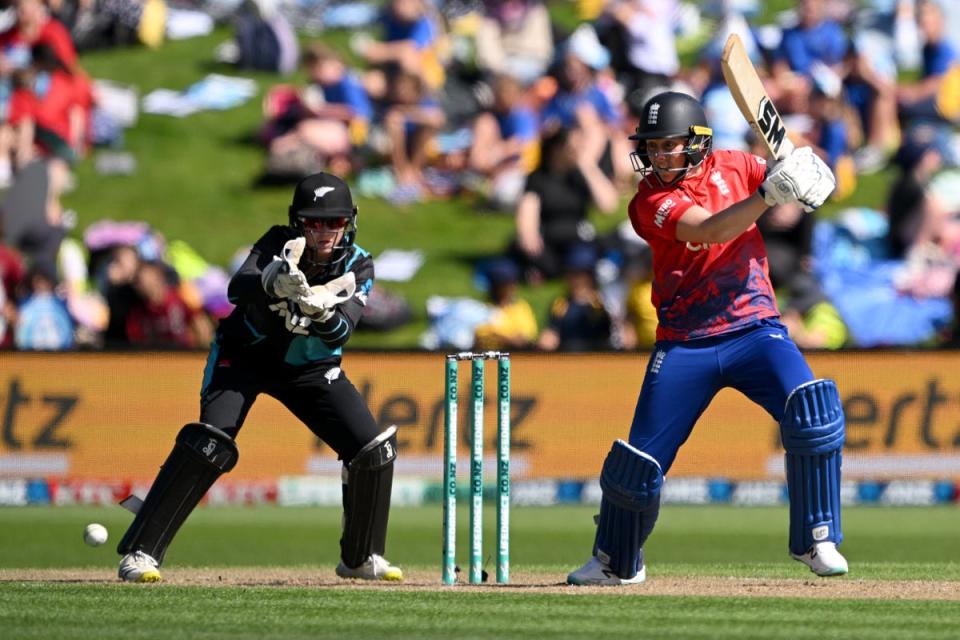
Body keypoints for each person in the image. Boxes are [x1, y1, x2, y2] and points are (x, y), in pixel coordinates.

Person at [566, 91, 847, 586]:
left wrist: (808, 177)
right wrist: (768, 197)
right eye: (651, 147)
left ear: (699, 144)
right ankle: (614, 560)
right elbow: (715, 229)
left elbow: (794, 192)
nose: (657, 156)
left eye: (668, 145)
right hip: (685, 342)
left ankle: (816, 537)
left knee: (813, 410)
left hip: (755, 328)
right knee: (639, 462)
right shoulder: (648, 201)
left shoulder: (738, 165)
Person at [116, 173, 403, 583]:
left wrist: (321, 311)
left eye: (334, 222)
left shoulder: (359, 263)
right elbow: (237, 289)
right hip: (244, 357)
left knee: (372, 450)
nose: (323, 232)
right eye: (313, 222)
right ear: (297, 221)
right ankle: (141, 552)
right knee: (210, 441)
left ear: (349, 222)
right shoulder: (278, 244)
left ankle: (359, 557)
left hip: (311, 369)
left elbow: (342, 332)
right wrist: (273, 280)